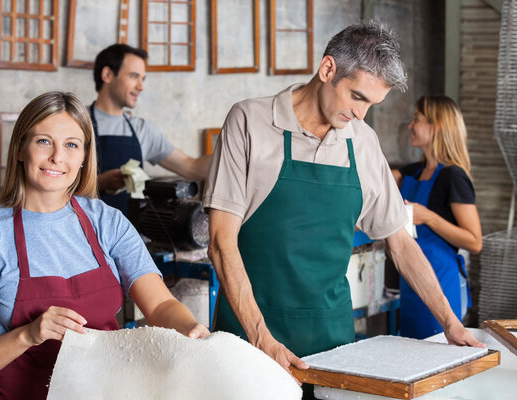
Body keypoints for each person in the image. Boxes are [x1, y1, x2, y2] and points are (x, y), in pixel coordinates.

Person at [203, 21, 484, 393]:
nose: (362, 114)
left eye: (372, 104)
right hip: (250, 338)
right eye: (357, 97)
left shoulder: (363, 142)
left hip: (333, 343)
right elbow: (221, 243)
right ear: (328, 69)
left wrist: (451, 323)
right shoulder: (250, 122)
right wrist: (261, 339)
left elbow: (400, 242)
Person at [0, 91, 210, 400]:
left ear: (84, 157)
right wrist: (28, 335)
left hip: (106, 392)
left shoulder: (107, 223)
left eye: (71, 145)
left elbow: (161, 305)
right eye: (44, 141)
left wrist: (190, 328)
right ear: (20, 149)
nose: (58, 157)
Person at [391, 96, 482, 339]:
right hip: (411, 281)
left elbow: (475, 242)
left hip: (440, 283)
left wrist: (429, 217)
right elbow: (376, 178)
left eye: (417, 120)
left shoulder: (453, 177)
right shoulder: (414, 172)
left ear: (437, 126)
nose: (410, 126)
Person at [91, 44, 211, 215]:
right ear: (108, 75)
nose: (141, 86)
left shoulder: (141, 130)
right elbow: (51, 187)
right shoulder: (76, 124)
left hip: (131, 236)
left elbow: (191, 167)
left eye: (143, 79)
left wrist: (236, 153)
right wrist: (99, 184)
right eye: (134, 76)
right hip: (82, 235)